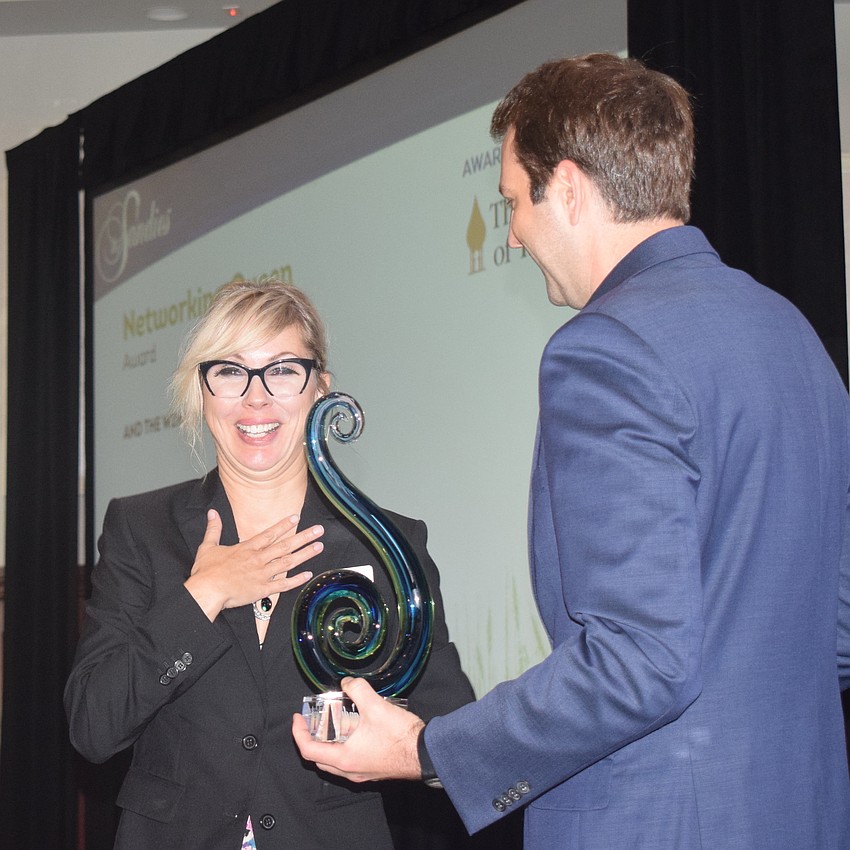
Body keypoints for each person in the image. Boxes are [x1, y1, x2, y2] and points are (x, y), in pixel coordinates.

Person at [292, 53, 850, 849]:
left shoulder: (606, 348)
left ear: (571, 187)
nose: (512, 233)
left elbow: (639, 659)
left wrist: (424, 749)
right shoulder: (790, 332)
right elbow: (837, 623)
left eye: (513, 201)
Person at [65, 278, 478, 850]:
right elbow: (93, 726)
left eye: (282, 370)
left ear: (320, 388)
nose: (255, 398)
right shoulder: (142, 528)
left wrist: (410, 754)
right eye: (230, 371)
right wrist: (203, 596)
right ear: (202, 390)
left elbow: (451, 730)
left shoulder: (384, 543)